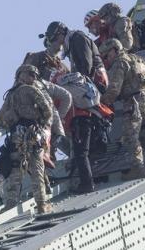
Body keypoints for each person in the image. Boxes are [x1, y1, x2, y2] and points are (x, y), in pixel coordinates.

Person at [43, 21, 108, 193]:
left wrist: (70, 80)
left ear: (60, 35)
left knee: (82, 150)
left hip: (90, 90)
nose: (57, 46)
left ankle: (86, 182)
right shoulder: (74, 42)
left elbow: (84, 69)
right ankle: (90, 177)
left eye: (55, 41)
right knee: (85, 148)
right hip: (89, 93)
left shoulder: (77, 39)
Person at [0, 65, 54, 214]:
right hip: (32, 134)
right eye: (31, 74)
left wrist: (11, 124)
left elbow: (0, 118)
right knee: (36, 169)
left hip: (16, 137)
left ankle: (10, 208)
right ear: (21, 75)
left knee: (16, 170)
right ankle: (42, 205)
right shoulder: (31, 90)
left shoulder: (11, 95)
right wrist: (41, 123)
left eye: (35, 75)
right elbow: (48, 109)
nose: (34, 77)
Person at [99, 39, 145, 180]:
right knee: (137, 133)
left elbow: (113, 90)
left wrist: (100, 102)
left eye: (107, 55)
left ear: (114, 50)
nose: (107, 59)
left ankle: (138, 169)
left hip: (134, 102)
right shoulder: (137, 59)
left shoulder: (120, 63)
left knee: (129, 137)